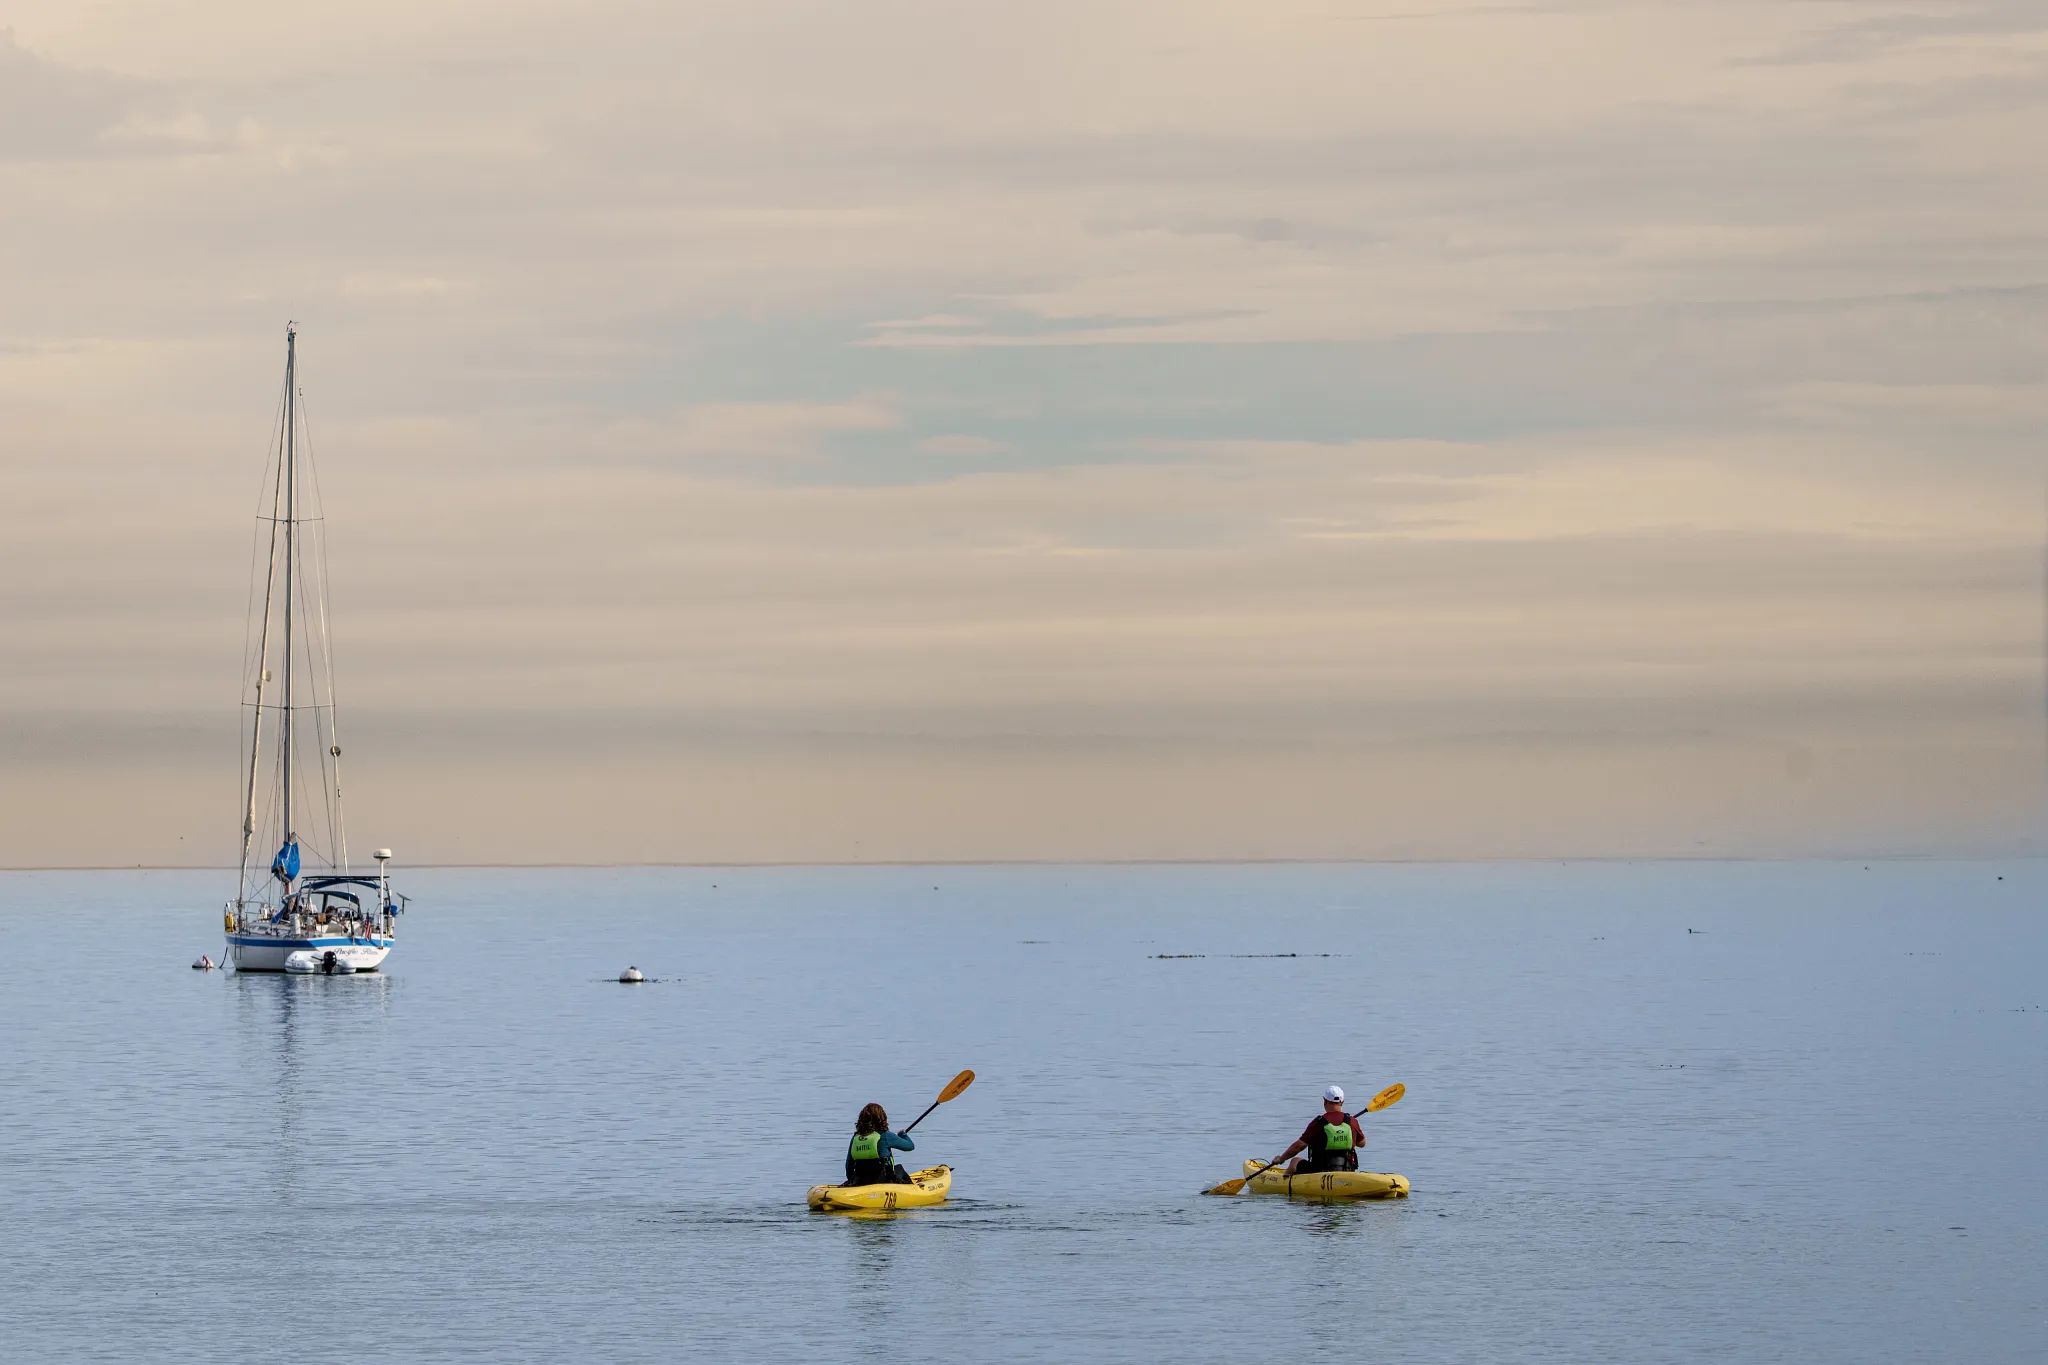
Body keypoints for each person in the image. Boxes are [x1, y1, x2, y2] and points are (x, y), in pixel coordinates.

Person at [1266, 1085, 1364, 1176]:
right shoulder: (1352, 1121)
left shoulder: (1319, 1122)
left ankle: (1284, 1183)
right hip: (1347, 1171)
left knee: (1294, 1161)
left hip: (1319, 1172)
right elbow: (1362, 1143)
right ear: (1342, 1102)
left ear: (1325, 1101)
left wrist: (1281, 1159)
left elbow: (1299, 1146)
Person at [844, 1102, 916, 1185]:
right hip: (882, 1180)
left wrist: (851, 1181)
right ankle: (914, 1190)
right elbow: (910, 1146)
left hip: (860, 1180)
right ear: (882, 1118)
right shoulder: (885, 1135)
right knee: (899, 1169)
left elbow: (849, 1164)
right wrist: (903, 1135)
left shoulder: (856, 1138)